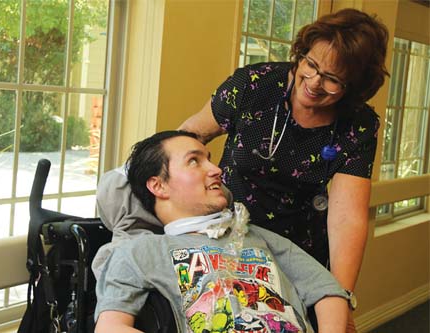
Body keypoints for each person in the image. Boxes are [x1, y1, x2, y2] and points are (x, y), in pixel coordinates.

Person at [179, 8, 389, 328]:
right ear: (301, 52)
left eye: (332, 79)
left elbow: (347, 216)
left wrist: (340, 296)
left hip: (297, 255)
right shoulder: (254, 85)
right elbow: (188, 137)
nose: (314, 83)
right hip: (226, 240)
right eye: (311, 64)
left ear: (355, 86)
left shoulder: (358, 125)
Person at [94, 130, 350, 333]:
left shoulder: (257, 236)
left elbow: (328, 291)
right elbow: (110, 327)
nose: (216, 169)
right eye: (194, 161)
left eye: (209, 159)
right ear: (159, 186)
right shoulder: (138, 252)